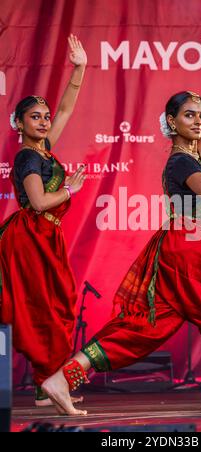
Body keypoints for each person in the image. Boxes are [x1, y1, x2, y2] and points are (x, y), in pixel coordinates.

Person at [41, 32, 201, 416]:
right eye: (188, 115)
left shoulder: (193, 157)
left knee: (145, 328)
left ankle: (63, 377)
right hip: (191, 249)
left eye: (199, 115)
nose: (198, 121)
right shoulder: (182, 163)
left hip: (182, 247)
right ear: (172, 123)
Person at [0, 34, 87, 407]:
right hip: (30, 236)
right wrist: (71, 190)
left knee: (57, 305)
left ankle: (44, 383)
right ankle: (52, 386)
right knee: (44, 312)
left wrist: (80, 68)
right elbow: (37, 202)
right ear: (18, 122)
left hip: (45, 236)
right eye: (34, 117)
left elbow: (66, 109)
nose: (45, 121)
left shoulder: (43, 148)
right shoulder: (27, 158)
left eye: (45, 116)